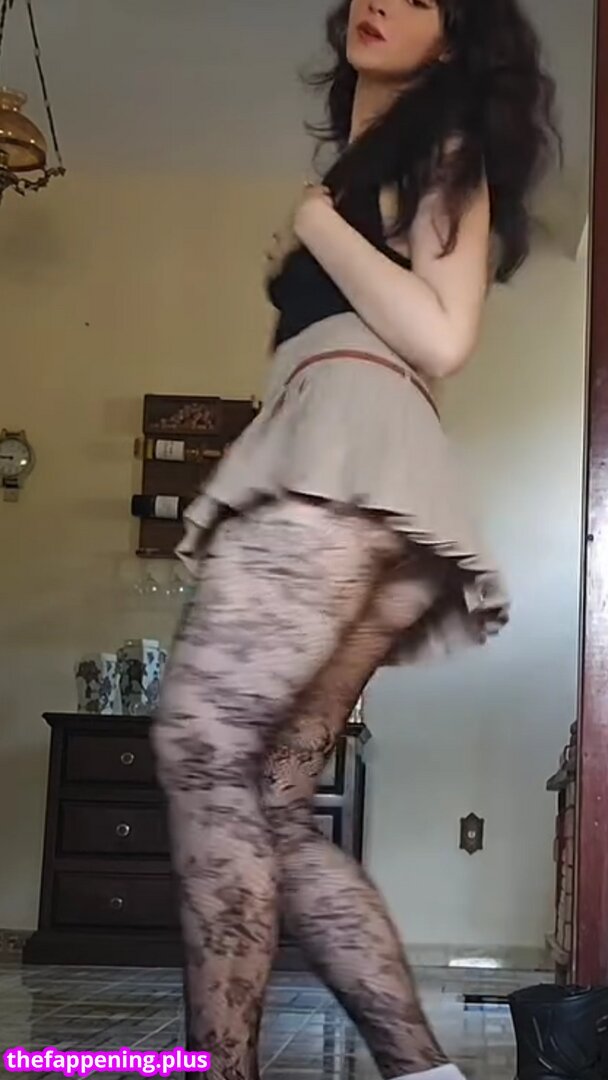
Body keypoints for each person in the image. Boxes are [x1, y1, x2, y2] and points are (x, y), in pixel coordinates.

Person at [152, 1, 560, 1077]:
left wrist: (316, 225)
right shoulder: (372, 165)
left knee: (201, 745)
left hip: (347, 458)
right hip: (374, 484)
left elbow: (442, 333)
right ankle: (425, 1074)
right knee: (275, 806)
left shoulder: (441, 145)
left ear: (456, 40)